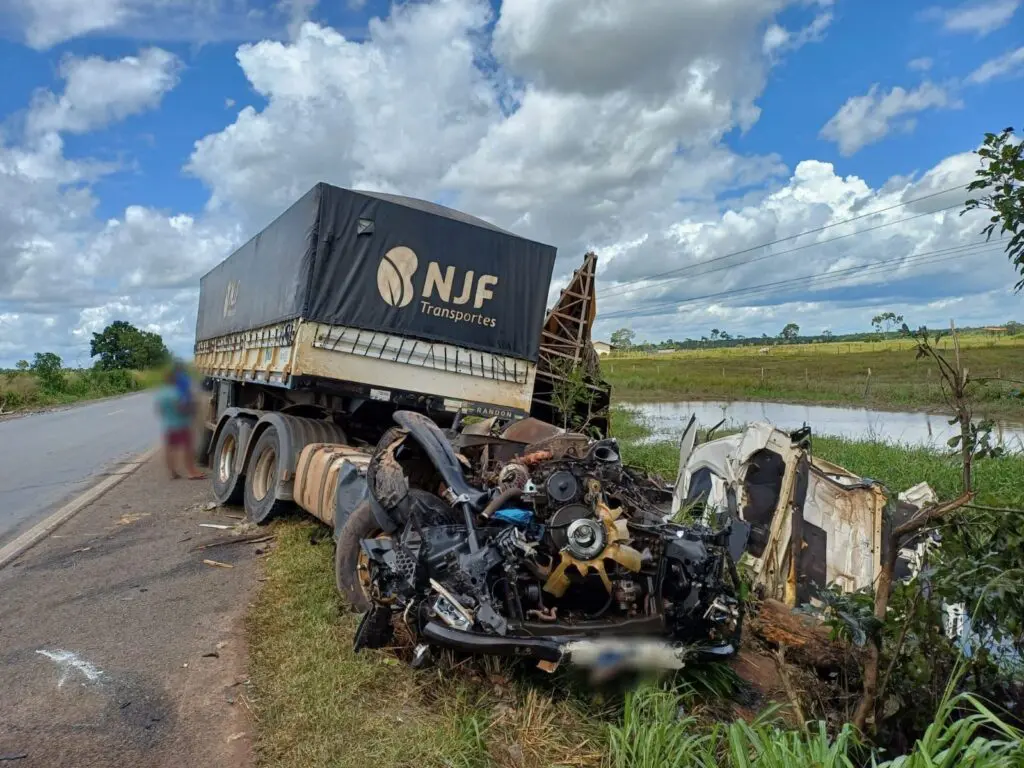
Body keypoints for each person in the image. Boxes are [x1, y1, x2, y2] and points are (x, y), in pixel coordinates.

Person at [155, 367, 205, 480]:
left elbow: (159, 410)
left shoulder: (161, 393)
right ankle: (191, 472)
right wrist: (193, 408)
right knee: (188, 448)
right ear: (174, 380)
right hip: (182, 424)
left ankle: (172, 472)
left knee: (169, 449)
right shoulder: (176, 393)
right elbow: (181, 409)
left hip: (168, 426)